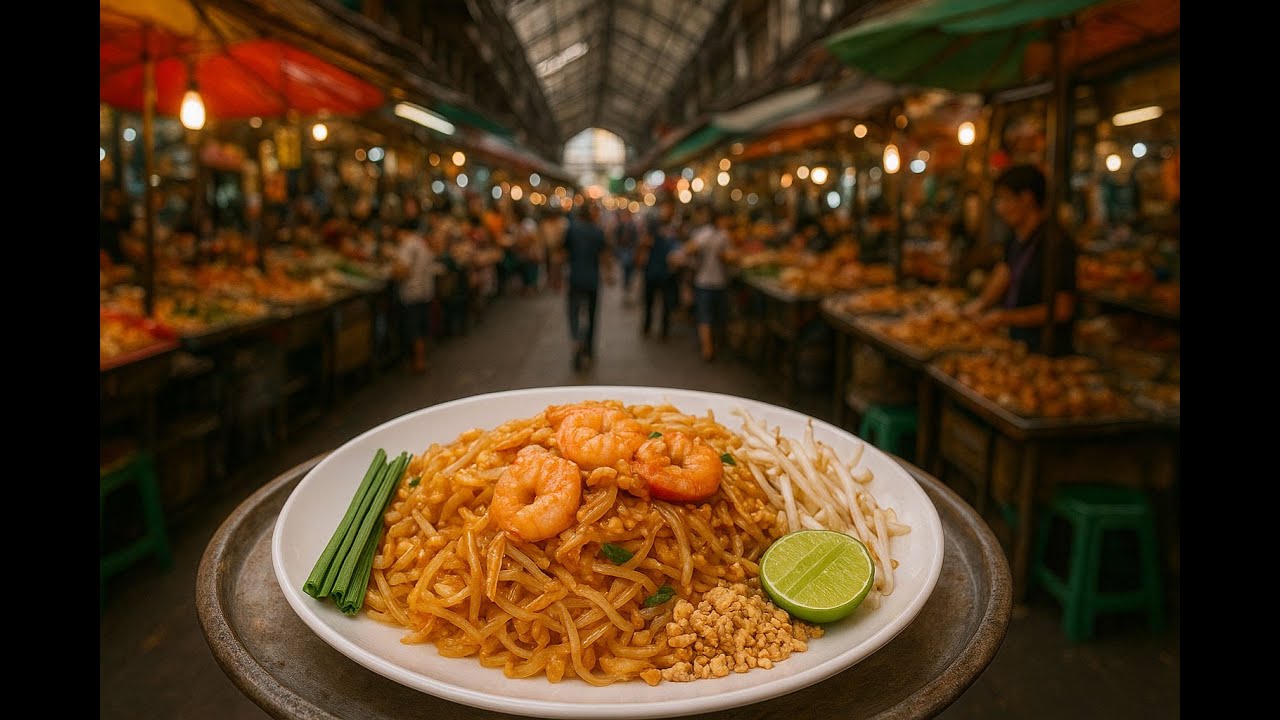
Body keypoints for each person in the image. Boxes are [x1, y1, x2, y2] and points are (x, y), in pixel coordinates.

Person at [962, 164, 1077, 355]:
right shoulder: (1016, 237)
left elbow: (1062, 308)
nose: (999, 208)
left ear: (1026, 198)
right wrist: (975, 308)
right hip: (1018, 344)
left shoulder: (1056, 243)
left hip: (1047, 350)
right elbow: (1004, 274)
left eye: (1004, 199)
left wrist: (1004, 318)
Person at [562, 202, 610, 370]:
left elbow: (563, 252)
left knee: (574, 312)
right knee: (591, 314)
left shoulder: (572, 230)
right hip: (592, 279)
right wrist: (608, 274)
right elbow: (604, 255)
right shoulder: (597, 231)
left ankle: (576, 339)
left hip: (575, 277)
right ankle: (588, 348)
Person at [684, 205, 734, 361]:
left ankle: (708, 348)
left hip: (707, 281)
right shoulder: (717, 235)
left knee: (707, 316)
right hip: (710, 282)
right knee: (709, 317)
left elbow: (689, 249)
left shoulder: (707, 233)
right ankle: (708, 349)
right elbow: (690, 249)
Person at [391, 219, 442, 374]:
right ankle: (422, 359)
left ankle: (419, 362)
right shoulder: (422, 242)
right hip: (425, 292)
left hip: (411, 293)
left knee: (413, 329)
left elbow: (403, 270)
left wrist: (392, 270)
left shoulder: (407, 244)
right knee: (421, 327)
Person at [638, 202, 680, 341]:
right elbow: (645, 243)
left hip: (667, 272)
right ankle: (647, 326)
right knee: (649, 301)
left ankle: (664, 331)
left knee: (666, 303)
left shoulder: (675, 227)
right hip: (653, 269)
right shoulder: (654, 225)